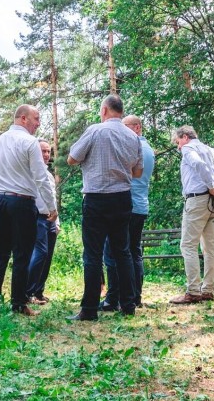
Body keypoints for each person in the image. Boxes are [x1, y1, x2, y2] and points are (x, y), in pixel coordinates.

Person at [67, 95, 143, 321]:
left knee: (93, 254)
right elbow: (137, 172)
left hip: (96, 198)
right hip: (122, 198)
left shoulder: (95, 131)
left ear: (104, 111)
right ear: (121, 112)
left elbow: (72, 158)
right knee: (123, 252)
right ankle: (128, 305)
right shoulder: (133, 136)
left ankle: (89, 309)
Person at [0, 105, 58, 316]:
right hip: (22, 201)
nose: (38, 123)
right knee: (22, 254)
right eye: (36, 118)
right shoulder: (30, 142)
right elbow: (41, 177)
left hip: (0, 200)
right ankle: (18, 303)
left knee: (0, 253)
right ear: (23, 119)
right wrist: (51, 207)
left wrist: (3, 187)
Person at [169, 125, 214, 304]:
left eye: (177, 142)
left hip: (197, 199)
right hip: (213, 202)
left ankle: (193, 291)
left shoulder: (189, 149)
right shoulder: (211, 150)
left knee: (188, 245)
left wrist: (212, 186)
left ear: (184, 137)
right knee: (210, 246)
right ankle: (207, 289)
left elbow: (198, 164)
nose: (178, 146)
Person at [101, 115, 155, 310]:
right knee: (133, 251)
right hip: (140, 205)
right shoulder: (147, 149)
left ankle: (113, 298)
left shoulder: (137, 148)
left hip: (128, 204)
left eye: (125, 128)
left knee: (116, 253)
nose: (121, 132)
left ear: (137, 127)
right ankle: (134, 297)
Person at [26, 139, 60, 304]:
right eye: (43, 151)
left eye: (48, 151)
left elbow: (52, 198)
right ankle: (29, 292)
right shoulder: (31, 171)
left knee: (48, 256)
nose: (46, 155)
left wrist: (57, 221)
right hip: (38, 217)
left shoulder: (49, 175)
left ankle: (39, 291)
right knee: (40, 253)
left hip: (51, 219)